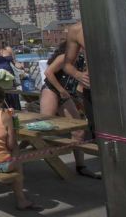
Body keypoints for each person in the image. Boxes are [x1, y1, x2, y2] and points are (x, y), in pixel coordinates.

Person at [63, 21, 126, 138]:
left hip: (125, 91)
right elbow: (67, 65)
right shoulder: (76, 30)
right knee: (100, 135)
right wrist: (78, 75)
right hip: (95, 92)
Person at [40, 41, 99, 179]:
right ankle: (41, 154)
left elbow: (79, 80)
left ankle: (81, 166)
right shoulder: (63, 57)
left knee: (78, 130)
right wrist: (60, 90)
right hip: (52, 91)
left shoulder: (80, 60)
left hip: (66, 95)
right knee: (44, 128)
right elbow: (48, 73)